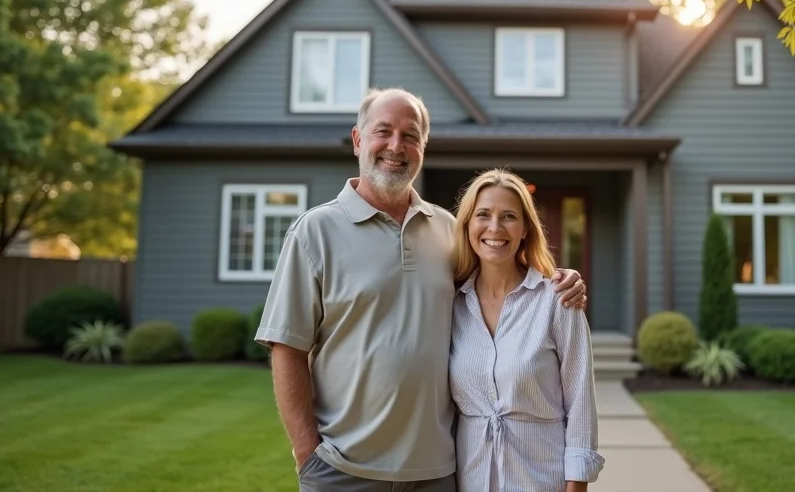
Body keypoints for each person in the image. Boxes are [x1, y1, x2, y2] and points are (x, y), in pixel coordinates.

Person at [254, 87, 589, 492]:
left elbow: (499, 273)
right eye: (383, 131)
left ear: (423, 148)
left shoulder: (448, 231)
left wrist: (560, 279)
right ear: (358, 140)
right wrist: (308, 454)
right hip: (343, 471)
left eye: (410, 135)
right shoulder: (314, 232)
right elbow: (287, 347)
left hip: (436, 472)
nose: (396, 146)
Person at [448, 169, 604, 492]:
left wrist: (577, 485)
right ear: (467, 225)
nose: (495, 227)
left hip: (541, 480)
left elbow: (581, 404)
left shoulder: (557, 301)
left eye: (509, 216)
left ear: (525, 230)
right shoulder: (452, 304)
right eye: (483, 214)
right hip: (471, 480)